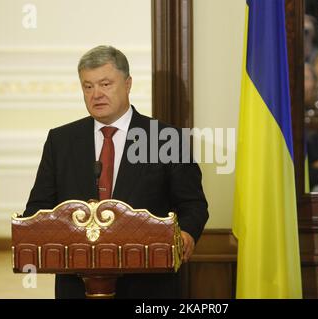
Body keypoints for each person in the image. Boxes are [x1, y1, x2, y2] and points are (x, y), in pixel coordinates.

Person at [23, 45, 209, 298]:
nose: (96, 94)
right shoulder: (62, 140)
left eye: (106, 84)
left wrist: (186, 234)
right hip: (78, 285)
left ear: (128, 84)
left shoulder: (164, 138)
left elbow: (193, 204)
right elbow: (38, 209)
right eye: (88, 86)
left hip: (148, 286)